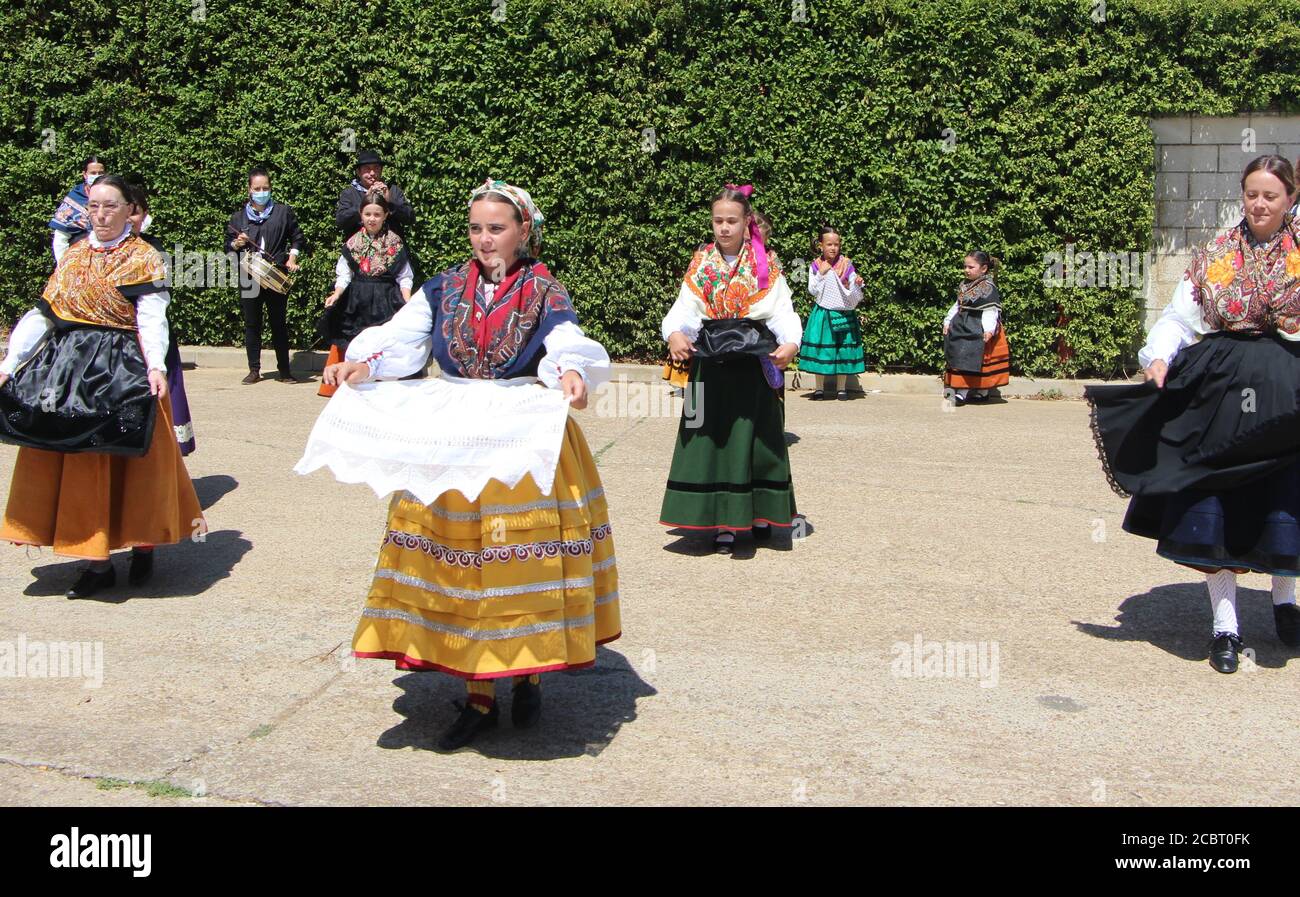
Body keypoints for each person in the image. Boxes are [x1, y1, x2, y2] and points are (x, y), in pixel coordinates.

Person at [297, 179, 619, 751]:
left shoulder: (544, 289)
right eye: (476, 228)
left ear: (524, 231)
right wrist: (363, 366)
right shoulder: (444, 287)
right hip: (454, 435)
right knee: (462, 568)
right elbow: (404, 339)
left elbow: (566, 338)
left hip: (519, 434)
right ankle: (476, 695)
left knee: (514, 566)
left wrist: (570, 370)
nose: (485, 239)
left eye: (497, 228)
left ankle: (526, 672)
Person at [1086, 154, 1300, 674]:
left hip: (1289, 397)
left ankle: (1285, 604)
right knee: (1216, 500)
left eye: (1271, 195)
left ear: (1291, 198)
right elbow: (1180, 316)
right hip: (1220, 396)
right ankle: (1225, 626)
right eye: (1252, 193)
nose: (1259, 204)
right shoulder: (1215, 254)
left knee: (1284, 497)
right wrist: (1158, 355)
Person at [0, 175, 203, 598]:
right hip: (69, 368)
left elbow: (151, 315)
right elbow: (42, 314)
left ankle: (144, 543)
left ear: (132, 210)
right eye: (93, 207)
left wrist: (156, 369)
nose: (101, 214)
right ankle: (96, 561)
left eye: (110, 206)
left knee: (139, 461)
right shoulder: (73, 256)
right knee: (82, 462)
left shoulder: (144, 257)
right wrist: (10, 362)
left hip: (122, 367)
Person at [659, 184, 802, 554]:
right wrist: (675, 333)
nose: (724, 227)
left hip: (754, 362)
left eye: (732, 221)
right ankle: (720, 520)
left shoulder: (765, 263)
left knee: (755, 437)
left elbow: (782, 310)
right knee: (708, 436)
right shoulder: (701, 263)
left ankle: (758, 514)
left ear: (746, 222)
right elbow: (684, 308)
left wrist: (791, 342)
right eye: (718, 220)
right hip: (710, 363)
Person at [317, 191, 414, 398]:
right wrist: (337, 293)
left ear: (386, 215)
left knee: (385, 344)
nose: (372, 219)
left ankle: (384, 387)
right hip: (357, 300)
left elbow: (404, 276)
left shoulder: (395, 243)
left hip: (386, 299)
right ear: (361, 214)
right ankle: (352, 388)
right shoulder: (353, 243)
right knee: (354, 344)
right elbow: (344, 274)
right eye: (368, 214)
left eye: (377, 214)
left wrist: (406, 300)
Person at [224, 166, 307, 384]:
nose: (262, 191)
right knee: (252, 324)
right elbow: (228, 248)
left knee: (278, 323)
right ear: (249, 190)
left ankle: (285, 370)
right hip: (249, 277)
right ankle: (254, 370)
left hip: (275, 274)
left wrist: (292, 258)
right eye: (257, 188)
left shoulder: (283, 212)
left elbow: (298, 237)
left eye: (266, 188)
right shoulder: (238, 217)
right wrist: (236, 243)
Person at [799, 225, 866, 400]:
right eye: (829, 244)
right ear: (821, 245)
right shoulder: (816, 265)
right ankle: (819, 388)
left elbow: (853, 284)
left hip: (843, 312)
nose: (833, 248)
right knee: (822, 349)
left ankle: (841, 388)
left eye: (836, 244)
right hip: (823, 314)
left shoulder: (846, 264)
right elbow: (812, 290)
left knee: (842, 348)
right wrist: (821, 274)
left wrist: (858, 282)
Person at [942, 250, 1010, 405]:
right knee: (958, 353)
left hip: (977, 328)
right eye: (965, 266)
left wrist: (988, 330)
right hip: (963, 324)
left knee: (971, 355)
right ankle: (979, 391)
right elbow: (958, 304)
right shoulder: (965, 284)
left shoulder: (987, 287)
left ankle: (963, 392)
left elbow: (990, 310)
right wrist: (947, 321)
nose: (966, 270)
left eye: (971, 267)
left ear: (984, 268)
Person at [335, 149, 415, 239]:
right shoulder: (349, 193)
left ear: (381, 170)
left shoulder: (393, 190)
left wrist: (390, 202)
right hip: (358, 249)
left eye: (376, 168)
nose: (372, 173)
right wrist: (364, 202)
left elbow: (410, 218)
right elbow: (341, 222)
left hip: (391, 249)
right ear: (358, 172)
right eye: (367, 169)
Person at [48, 156, 106, 264]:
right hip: (79, 260)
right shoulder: (75, 198)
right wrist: (63, 265)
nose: (97, 176)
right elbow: (60, 238)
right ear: (85, 174)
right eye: (93, 173)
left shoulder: (114, 196)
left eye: (100, 173)